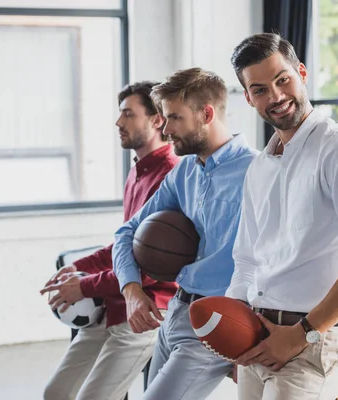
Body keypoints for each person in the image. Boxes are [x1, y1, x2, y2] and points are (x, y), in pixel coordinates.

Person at [226, 32, 338, 400]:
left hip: (312, 343)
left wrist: (302, 334)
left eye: (282, 79)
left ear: (301, 73)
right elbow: (247, 257)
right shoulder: (259, 166)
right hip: (258, 336)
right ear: (248, 97)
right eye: (260, 89)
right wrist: (236, 329)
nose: (276, 96)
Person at [112, 67, 259, 400]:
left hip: (218, 322)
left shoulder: (258, 172)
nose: (164, 128)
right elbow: (127, 233)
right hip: (176, 313)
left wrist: (254, 334)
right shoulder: (183, 175)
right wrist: (132, 289)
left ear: (206, 114)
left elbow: (277, 257)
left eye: (174, 118)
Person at [39, 81, 179, 400]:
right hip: (112, 306)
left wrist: (85, 286)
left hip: (146, 313)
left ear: (157, 120)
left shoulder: (170, 176)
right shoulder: (137, 173)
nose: (119, 123)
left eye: (128, 114)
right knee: (56, 393)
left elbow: (153, 266)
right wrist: (77, 267)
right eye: (120, 115)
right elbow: (124, 247)